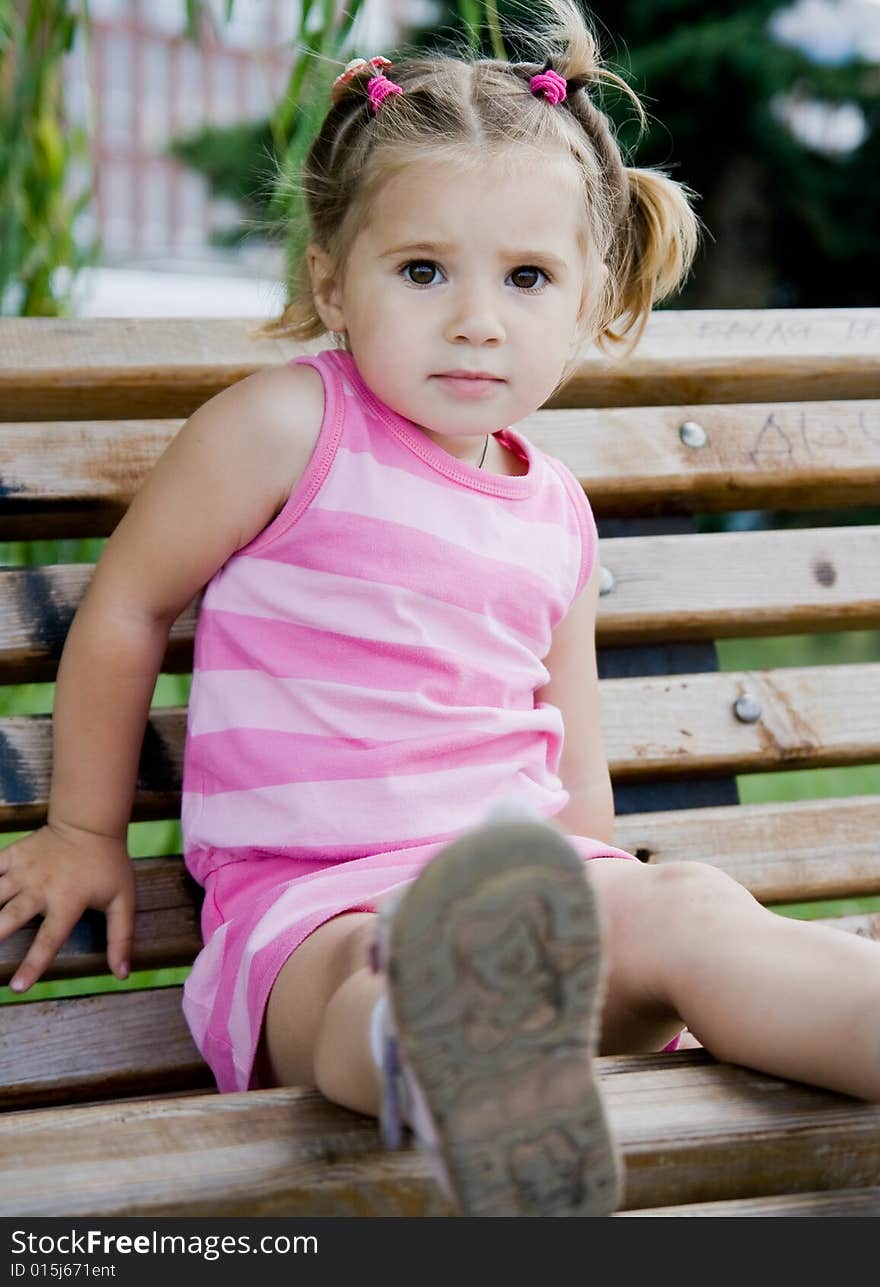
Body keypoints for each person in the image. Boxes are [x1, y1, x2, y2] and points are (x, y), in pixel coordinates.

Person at [2, 0, 879, 1218]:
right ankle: (458, 1055)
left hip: (531, 891)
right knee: (364, 994)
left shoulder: (555, 509)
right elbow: (130, 607)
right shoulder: (285, 429)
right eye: (422, 270)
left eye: (526, 278)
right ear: (333, 280)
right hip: (322, 899)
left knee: (685, 908)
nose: (476, 318)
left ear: (585, 307)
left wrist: (605, 887)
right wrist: (87, 835)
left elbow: (569, 756)